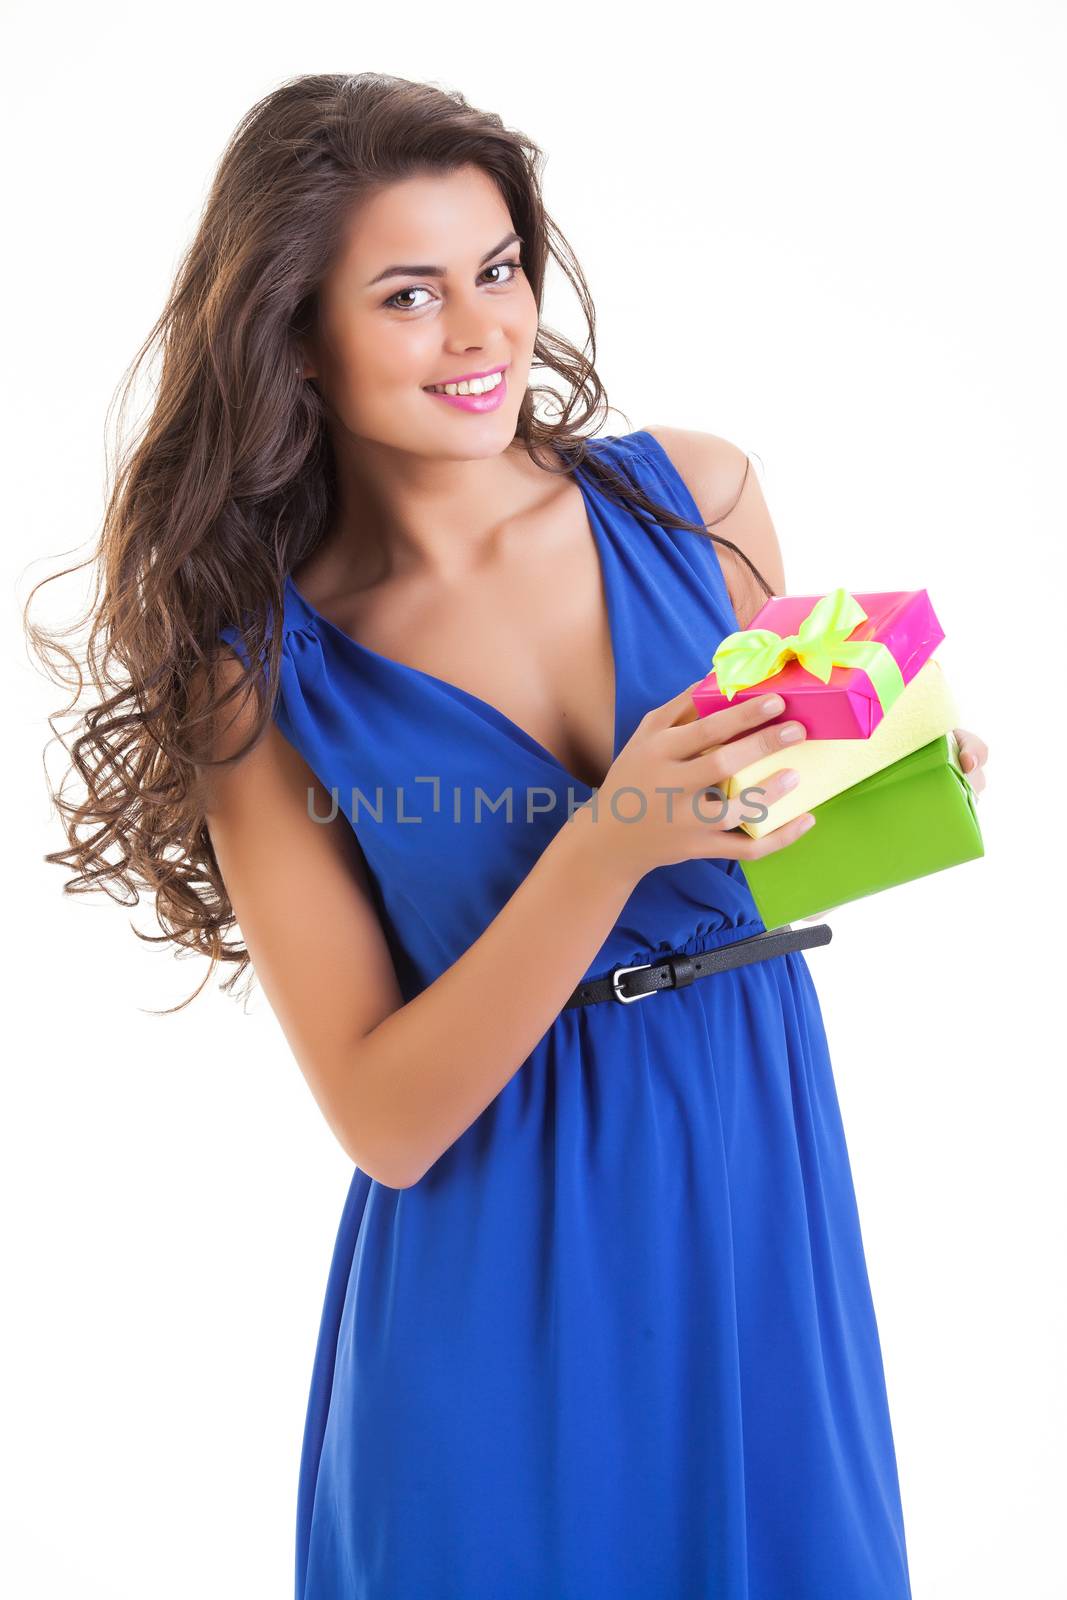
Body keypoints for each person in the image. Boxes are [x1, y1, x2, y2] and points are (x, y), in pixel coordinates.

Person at [34, 72, 989, 1599]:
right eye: (410, 294)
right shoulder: (262, 676)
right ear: (296, 335)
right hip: (502, 1246)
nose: (483, 331)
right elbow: (385, 1119)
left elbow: (763, 862)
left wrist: (887, 774)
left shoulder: (699, 500)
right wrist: (608, 839)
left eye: (497, 269)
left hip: (751, 1168)